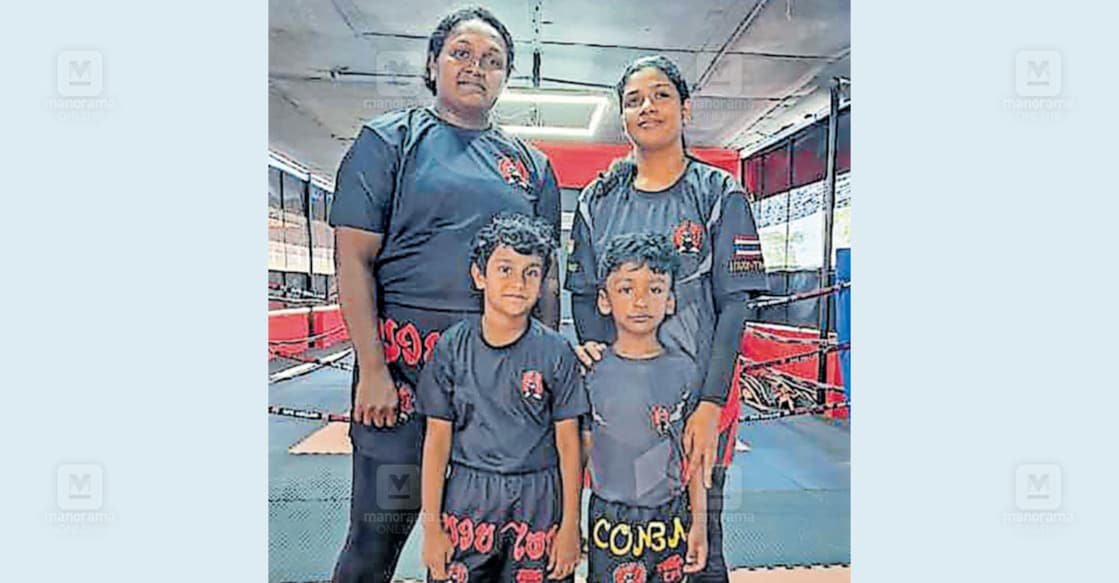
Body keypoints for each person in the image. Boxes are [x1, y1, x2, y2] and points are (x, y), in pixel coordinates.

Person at [327, 7, 563, 581]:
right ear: (433, 64)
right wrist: (374, 371)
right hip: (402, 383)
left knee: (475, 546)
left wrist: (548, 381)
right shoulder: (388, 142)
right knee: (376, 534)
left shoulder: (531, 166)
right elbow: (353, 259)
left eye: (492, 61)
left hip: (500, 395)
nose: (476, 67)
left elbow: (547, 281)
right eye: (461, 53)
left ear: (505, 77)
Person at [564, 55, 769, 582]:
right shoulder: (598, 201)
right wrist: (596, 357)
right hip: (623, 408)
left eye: (660, 95)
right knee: (620, 539)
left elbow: (736, 305)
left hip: (700, 399)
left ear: (685, 108)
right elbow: (585, 295)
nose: (646, 107)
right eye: (633, 100)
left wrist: (708, 403)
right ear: (623, 116)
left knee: (701, 545)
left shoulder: (721, 194)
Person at [416, 213, 586, 583]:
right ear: (480, 276)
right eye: (505, 269)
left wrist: (571, 524)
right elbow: (436, 441)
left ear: (542, 283)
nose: (518, 283)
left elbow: (570, 446)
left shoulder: (556, 353)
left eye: (531, 272)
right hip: (468, 496)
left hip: (539, 499)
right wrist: (431, 528)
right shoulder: (452, 348)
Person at [582, 232, 709, 583]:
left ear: (670, 301)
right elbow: (577, 452)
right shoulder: (589, 370)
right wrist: (566, 522)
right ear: (605, 300)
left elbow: (695, 456)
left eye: (654, 289)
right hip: (610, 520)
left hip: (670, 518)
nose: (640, 301)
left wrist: (699, 523)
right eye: (626, 289)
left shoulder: (686, 371)